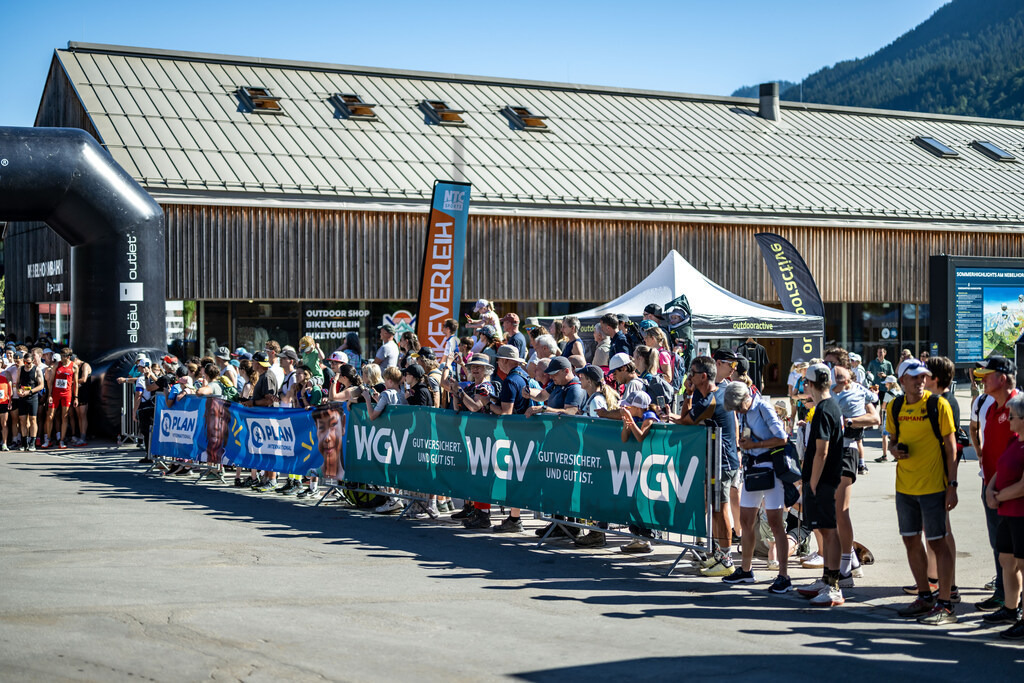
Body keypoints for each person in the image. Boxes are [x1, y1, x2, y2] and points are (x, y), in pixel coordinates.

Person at [887, 358, 959, 625]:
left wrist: (952, 486)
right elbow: (893, 441)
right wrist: (894, 451)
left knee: (937, 542)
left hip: (933, 487)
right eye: (914, 377)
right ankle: (924, 595)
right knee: (910, 541)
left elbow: (951, 448)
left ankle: (946, 603)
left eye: (923, 377)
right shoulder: (894, 406)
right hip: (904, 487)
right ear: (902, 380)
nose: (920, 381)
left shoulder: (937, 404)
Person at [666, 356, 738, 577]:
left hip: (723, 460)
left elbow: (685, 420)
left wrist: (669, 415)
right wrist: (688, 393)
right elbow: (687, 415)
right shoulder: (702, 393)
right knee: (715, 509)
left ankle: (726, 559)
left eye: (692, 373)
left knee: (720, 509)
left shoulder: (712, 399)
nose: (689, 376)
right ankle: (718, 554)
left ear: (703, 376)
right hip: (714, 458)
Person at [721, 381, 793, 593]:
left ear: (745, 398)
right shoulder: (743, 412)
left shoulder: (763, 407)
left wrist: (755, 445)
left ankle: (784, 576)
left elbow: (782, 438)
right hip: (753, 471)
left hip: (771, 471)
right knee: (745, 520)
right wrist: (746, 445)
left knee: (775, 523)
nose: (737, 411)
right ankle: (745, 570)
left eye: (738, 407)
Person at [795, 362, 846, 607]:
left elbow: (821, 451)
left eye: (805, 382)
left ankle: (833, 585)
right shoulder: (829, 405)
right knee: (826, 531)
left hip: (825, 481)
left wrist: (812, 483)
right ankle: (827, 579)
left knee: (829, 531)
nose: (804, 386)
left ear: (811, 384)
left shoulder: (825, 409)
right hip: (827, 479)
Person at [974, 355, 1019, 613]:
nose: (982, 378)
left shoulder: (1017, 406)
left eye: (987, 374)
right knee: (999, 546)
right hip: (990, 487)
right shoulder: (990, 406)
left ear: (1001, 378)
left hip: (1010, 491)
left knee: (1015, 551)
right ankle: (1002, 594)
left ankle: (1014, 602)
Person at [984, 394, 1024, 640]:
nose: (1008, 420)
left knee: (1023, 564)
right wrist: (990, 489)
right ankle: (1011, 609)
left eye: (1012, 417)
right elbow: (1000, 469)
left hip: (1020, 513)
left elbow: (1022, 486)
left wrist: (998, 495)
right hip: (1007, 512)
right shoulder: (1014, 441)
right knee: (1006, 560)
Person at [491, 345, 532, 533]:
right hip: (529, 433)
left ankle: (515, 519)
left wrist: (488, 405)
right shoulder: (525, 377)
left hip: (516, 435)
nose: (498, 363)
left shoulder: (510, 381)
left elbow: (506, 413)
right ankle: (514, 518)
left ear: (507, 361)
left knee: (514, 477)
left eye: (500, 359)